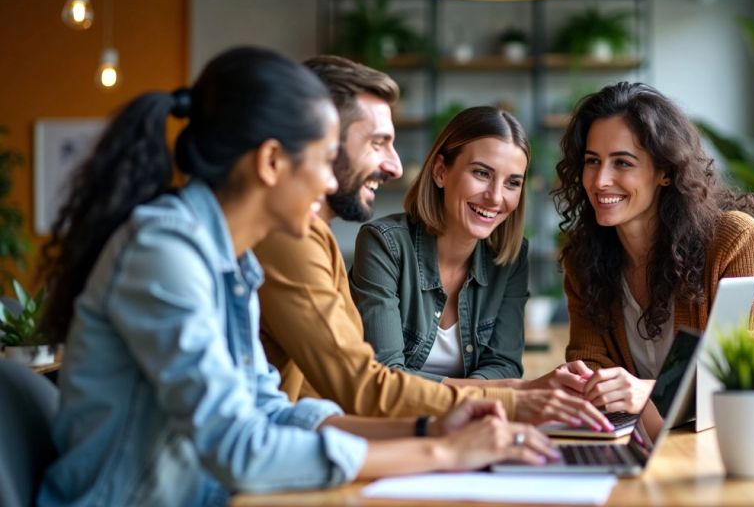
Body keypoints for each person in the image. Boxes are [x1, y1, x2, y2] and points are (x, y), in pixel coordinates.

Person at [35, 47, 555, 506]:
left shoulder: (232, 262)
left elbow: (271, 411)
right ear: (270, 162)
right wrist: (439, 450)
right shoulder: (164, 254)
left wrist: (429, 426)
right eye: (325, 160)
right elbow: (240, 447)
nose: (331, 180)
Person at [254, 56, 610, 430]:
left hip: (314, 435)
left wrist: (492, 406)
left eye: (513, 182)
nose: (394, 167)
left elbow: (337, 403)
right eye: (378, 143)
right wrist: (511, 399)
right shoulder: (296, 236)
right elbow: (367, 386)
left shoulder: (311, 236)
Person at [551, 82, 754, 442]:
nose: (600, 180)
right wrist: (591, 384)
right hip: (672, 443)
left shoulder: (736, 241)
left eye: (623, 163)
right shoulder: (585, 261)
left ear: (664, 171)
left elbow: (739, 380)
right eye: (592, 161)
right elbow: (590, 364)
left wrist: (646, 392)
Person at [352, 107, 536, 386]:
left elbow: (504, 365)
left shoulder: (509, 257)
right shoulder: (384, 244)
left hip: (472, 422)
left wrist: (482, 397)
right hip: (393, 424)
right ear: (440, 172)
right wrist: (486, 393)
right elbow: (385, 377)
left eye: (513, 183)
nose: (496, 197)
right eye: (482, 173)